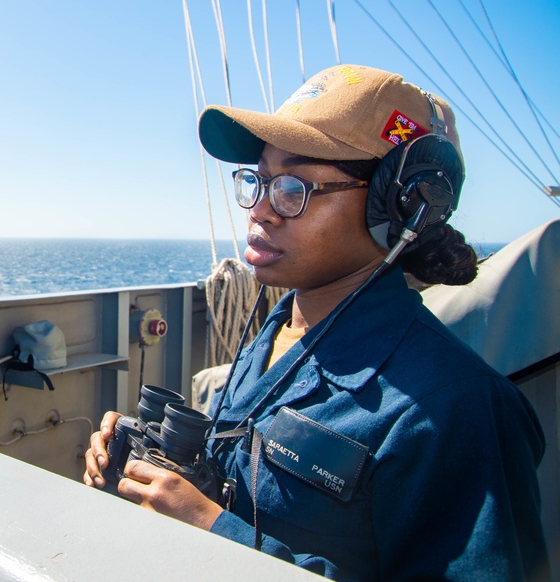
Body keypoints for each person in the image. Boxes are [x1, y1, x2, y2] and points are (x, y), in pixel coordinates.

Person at [83, 64, 549, 581]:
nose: (261, 209)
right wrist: (147, 468)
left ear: (400, 205)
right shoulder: (277, 336)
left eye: (293, 186)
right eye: (257, 180)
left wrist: (218, 538)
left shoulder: (459, 409)